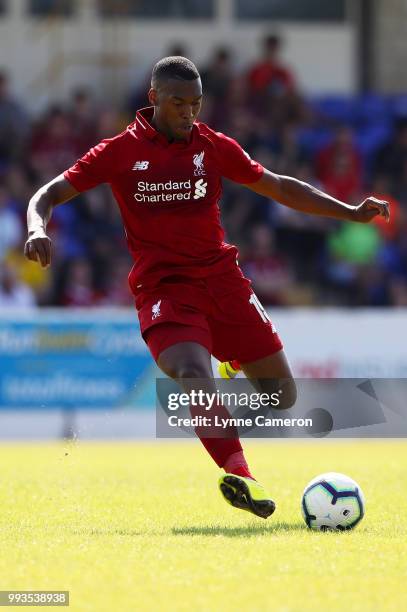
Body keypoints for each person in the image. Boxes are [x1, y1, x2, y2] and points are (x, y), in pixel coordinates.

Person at [24, 57, 389, 519]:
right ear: (154, 98)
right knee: (194, 374)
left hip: (222, 281)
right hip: (165, 287)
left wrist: (350, 211)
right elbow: (48, 193)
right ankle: (241, 474)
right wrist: (37, 226)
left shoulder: (212, 146)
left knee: (281, 396)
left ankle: (232, 358)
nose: (188, 114)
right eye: (179, 104)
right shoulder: (118, 151)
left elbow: (278, 186)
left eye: (195, 105)